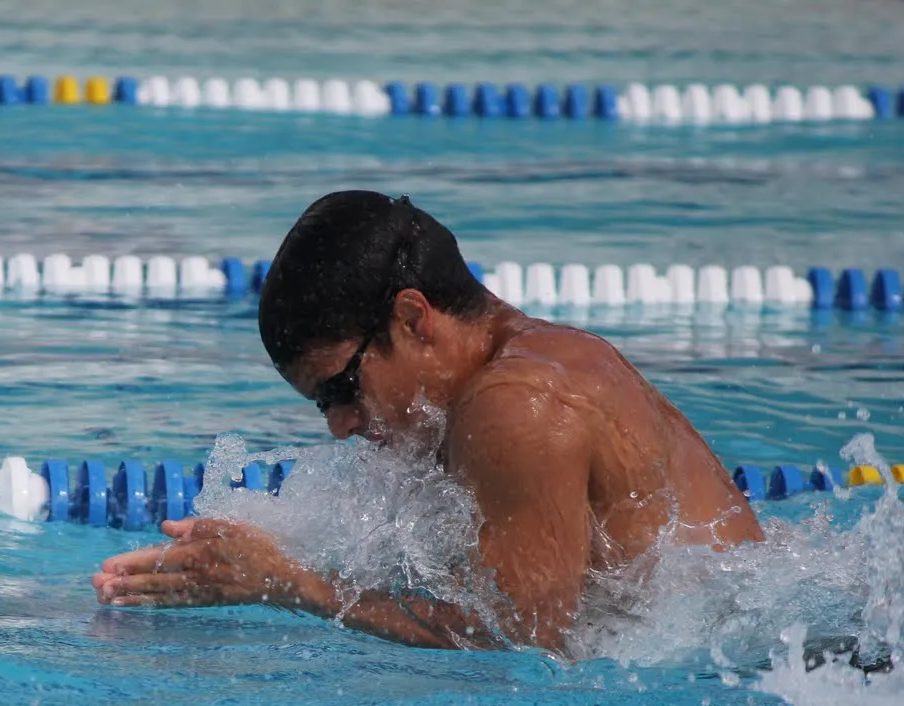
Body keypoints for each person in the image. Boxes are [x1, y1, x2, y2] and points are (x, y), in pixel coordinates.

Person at [93, 191, 763, 651]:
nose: (340, 425)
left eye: (343, 387)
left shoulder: (519, 406)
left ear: (414, 319)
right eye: (323, 405)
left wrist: (292, 585)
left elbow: (521, 643)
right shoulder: (499, 383)